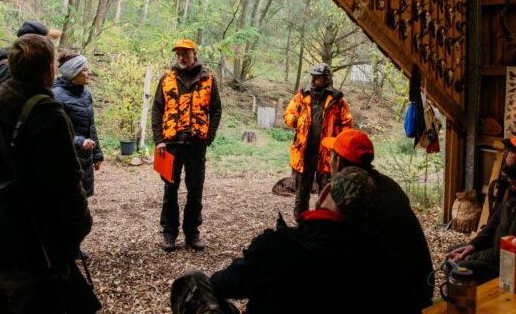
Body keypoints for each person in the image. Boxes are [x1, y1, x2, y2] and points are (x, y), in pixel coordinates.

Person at [0, 34, 92, 313]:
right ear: (49, 69)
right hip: (37, 251)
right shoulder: (48, 113)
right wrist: (77, 229)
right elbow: (68, 187)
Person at [169, 166, 394, 314]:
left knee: (192, 281)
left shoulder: (281, 245)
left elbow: (224, 284)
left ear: (324, 194)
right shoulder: (380, 258)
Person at [322, 128, 433, 312]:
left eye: (330, 156)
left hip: (395, 298)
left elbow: (331, 249)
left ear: (338, 162)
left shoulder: (350, 196)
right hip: (421, 287)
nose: (328, 161)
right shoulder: (389, 185)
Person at [446, 131, 516, 284]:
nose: (505, 154)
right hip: (500, 254)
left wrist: (470, 257)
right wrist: (473, 246)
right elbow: (496, 220)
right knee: (453, 253)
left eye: (511, 151)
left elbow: (509, 252)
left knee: (463, 268)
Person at [152, 39, 222, 252]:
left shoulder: (208, 79)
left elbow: (216, 109)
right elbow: (157, 110)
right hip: (170, 144)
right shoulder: (166, 78)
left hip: (196, 145)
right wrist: (159, 140)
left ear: (194, 54)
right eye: (179, 54)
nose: (182, 57)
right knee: (170, 190)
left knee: (195, 190)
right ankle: (169, 234)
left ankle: (192, 233)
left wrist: (209, 136)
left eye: (186, 53)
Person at [283, 62, 352, 218]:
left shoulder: (337, 99)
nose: (313, 79)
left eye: (317, 77)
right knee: (301, 193)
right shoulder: (302, 95)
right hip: (304, 153)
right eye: (312, 76)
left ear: (326, 78)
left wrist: (340, 147)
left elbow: (347, 125)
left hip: (327, 155)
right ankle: (301, 222)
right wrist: (298, 121)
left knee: (326, 195)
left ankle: (324, 224)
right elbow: (287, 116)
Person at [53, 53, 103, 198]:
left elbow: (91, 126)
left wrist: (97, 155)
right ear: (73, 73)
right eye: (84, 70)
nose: (89, 73)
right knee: (67, 199)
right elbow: (55, 132)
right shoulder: (55, 95)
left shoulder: (86, 94)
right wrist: (80, 141)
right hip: (66, 158)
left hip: (86, 157)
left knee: (83, 197)